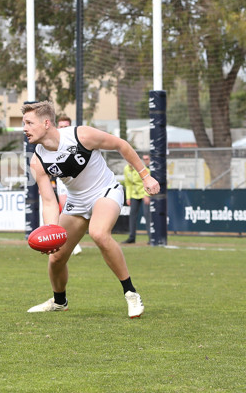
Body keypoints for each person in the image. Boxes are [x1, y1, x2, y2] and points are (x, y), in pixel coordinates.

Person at [21, 101, 159, 318]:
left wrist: (145, 175)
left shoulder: (80, 136)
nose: (25, 128)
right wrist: (51, 230)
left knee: (98, 233)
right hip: (77, 202)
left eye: (29, 123)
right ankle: (59, 302)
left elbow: (121, 145)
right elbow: (49, 201)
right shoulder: (37, 161)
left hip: (105, 191)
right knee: (56, 257)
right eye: (24, 123)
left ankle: (131, 293)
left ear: (46, 123)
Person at [55, 114, 81, 256]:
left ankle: (72, 240)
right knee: (65, 208)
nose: (64, 129)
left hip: (78, 181)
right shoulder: (53, 143)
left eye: (66, 126)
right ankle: (71, 243)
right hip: (62, 181)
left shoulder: (76, 140)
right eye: (61, 126)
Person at [122, 154, 151, 244]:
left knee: (147, 215)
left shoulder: (142, 169)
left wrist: (146, 195)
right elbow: (128, 184)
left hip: (143, 193)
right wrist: (128, 197)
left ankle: (151, 238)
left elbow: (147, 181)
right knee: (132, 215)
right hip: (134, 195)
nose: (129, 162)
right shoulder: (126, 169)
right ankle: (132, 237)